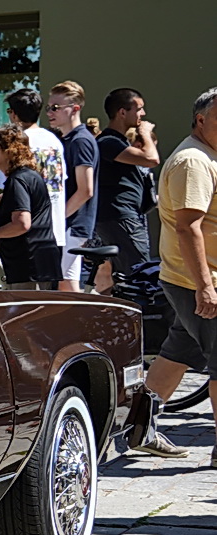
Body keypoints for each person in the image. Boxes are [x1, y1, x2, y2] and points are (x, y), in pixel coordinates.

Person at [128, 87, 217, 462]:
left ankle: (139, 428)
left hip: (195, 279)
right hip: (197, 279)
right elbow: (188, 227)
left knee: (178, 351)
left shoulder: (207, 155)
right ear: (201, 119)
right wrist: (206, 287)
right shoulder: (193, 161)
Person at [94, 87, 161, 287]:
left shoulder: (117, 142)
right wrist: (145, 133)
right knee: (141, 275)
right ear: (122, 112)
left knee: (126, 278)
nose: (143, 114)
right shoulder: (108, 142)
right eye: (139, 108)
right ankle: (144, 317)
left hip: (125, 216)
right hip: (121, 218)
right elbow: (151, 159)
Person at [0, 125, 60, 290]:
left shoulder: (17, 180)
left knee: (27, 314)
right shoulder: (29, 176)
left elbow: (21, 224)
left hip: (28, 265)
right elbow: (11, 198)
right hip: (42, 261)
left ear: (8, 151)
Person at [3, 87, 67, 267]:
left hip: (27, 231)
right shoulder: (54, 141)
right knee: (48, 292)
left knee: (25, 293)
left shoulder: (16, 142)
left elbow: (11, 191)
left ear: (14, 115)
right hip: (55, 228)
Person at [45, 81, 98, 291]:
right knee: (66, 283)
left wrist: (58, 217)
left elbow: (86, 190)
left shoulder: (80, 141)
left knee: (66, 283)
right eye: (49, 107)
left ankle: (80, 323)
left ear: (75, 109)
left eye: (56, 108)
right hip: (69, 223)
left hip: (73, 224)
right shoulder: (66, 139)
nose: (50, 112)